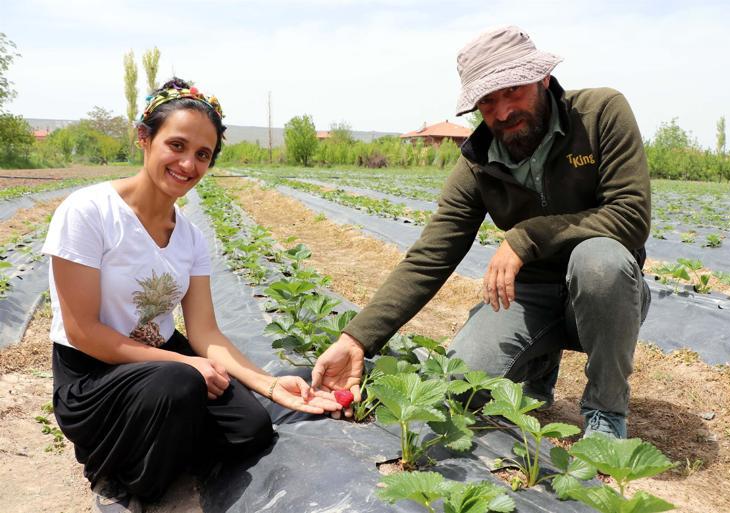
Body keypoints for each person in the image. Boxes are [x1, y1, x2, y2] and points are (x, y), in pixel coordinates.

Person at [312, 26, 651, 440]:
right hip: (530, 296)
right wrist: (357, 338)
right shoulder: (477, 161)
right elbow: (430, 255)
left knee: (600, 261)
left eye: (514, 91)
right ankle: (538, 363)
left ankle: (605, 411)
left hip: (606, 292)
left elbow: (631, 216)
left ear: (543, 77)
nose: (503, 111)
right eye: (488, 100)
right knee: (460, 389)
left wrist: (526, 237)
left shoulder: (600, 113)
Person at [44, 78, 342, 513]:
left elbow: (204, 330)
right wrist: (185, 363)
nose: (188, 164)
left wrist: (271, 385)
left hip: (164, 366)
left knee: (253, 428)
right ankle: (116, 473)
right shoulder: (89, 212)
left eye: (203, 154)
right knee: (180, 383)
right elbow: (83, 331)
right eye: (177, 145)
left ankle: (164, 439)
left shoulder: (190, 238)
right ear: (144, 138)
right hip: (94, 377)